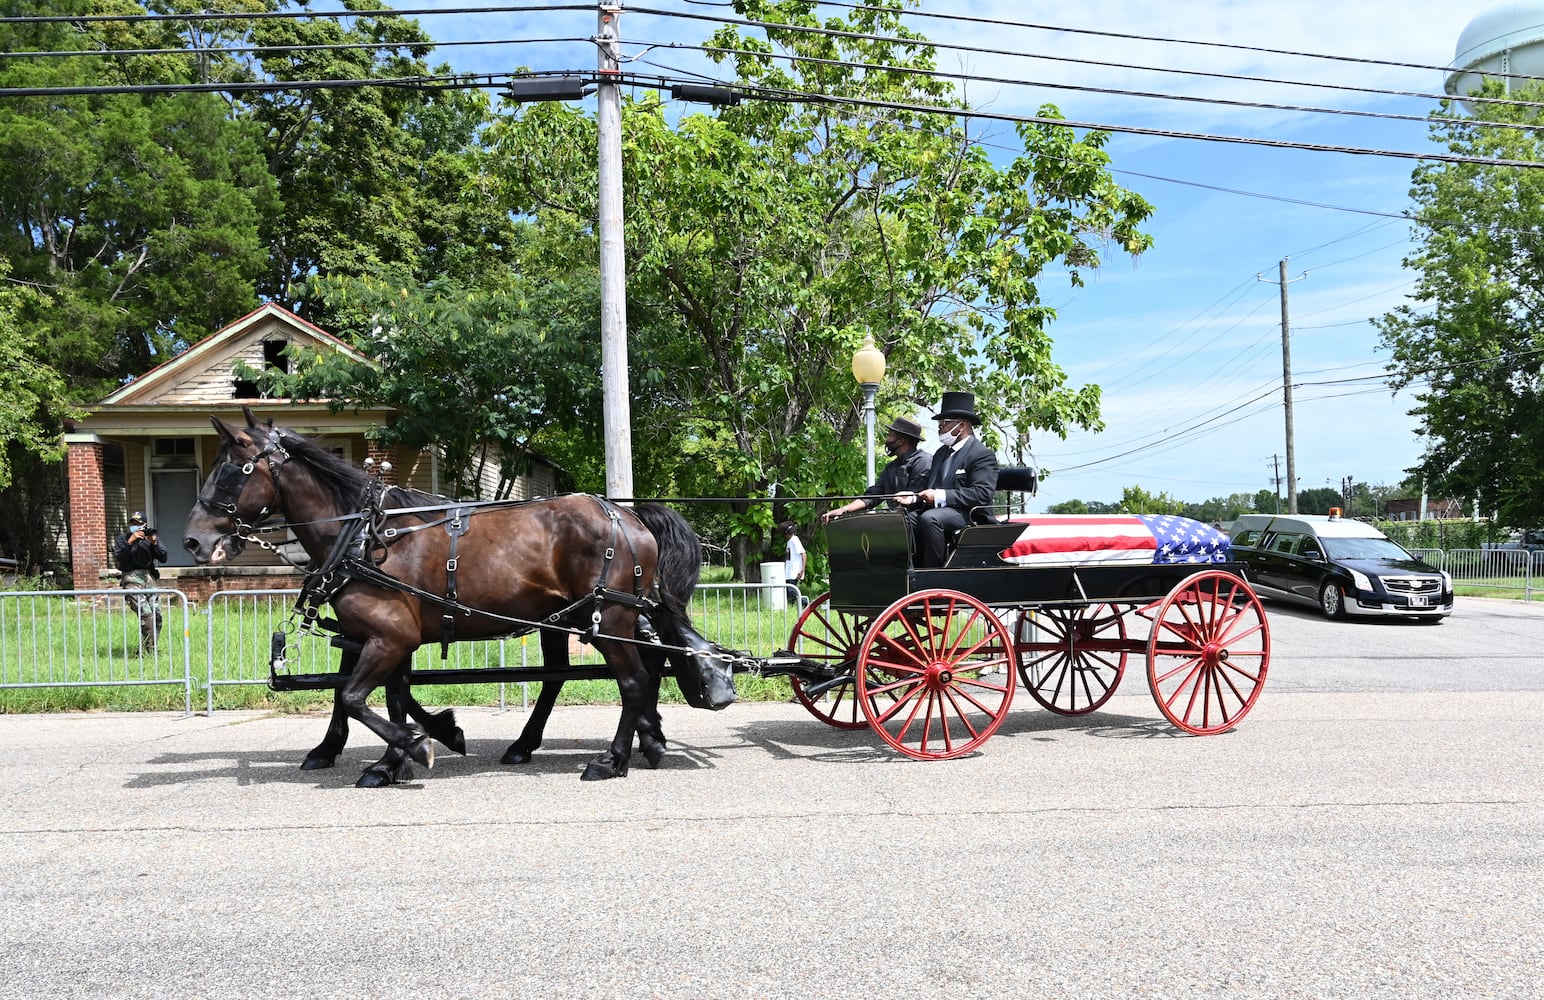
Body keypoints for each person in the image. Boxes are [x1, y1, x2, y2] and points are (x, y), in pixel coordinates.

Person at [896, 391, 999, 567]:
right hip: (941, 511)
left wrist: (939, 496)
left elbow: (982, 494)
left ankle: (934, 572)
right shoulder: (941, 453)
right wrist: (914, 497)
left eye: (945, 423)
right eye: (940, 423)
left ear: (962, 426)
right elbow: (931, 488)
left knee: (931, 518)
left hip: (971, 515)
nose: (940, 427)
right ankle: (908, 568)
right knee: (902, 519)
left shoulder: (981, 454)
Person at [820, 417, 934, 523]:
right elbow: (872, 497)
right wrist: (844, 510)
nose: (887, 439)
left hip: (917, 524)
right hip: (896, 522)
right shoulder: (891, 467)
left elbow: (914, 498)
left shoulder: (923, 461)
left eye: (890, 435)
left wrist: (889, 520)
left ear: (900, 441)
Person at [113, 511, 168, 651]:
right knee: (146, 613)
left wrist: (154, 543)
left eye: (139, 524)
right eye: (133, 523)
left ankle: (147, 648)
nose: (136, 527)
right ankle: (151, 651)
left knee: (157, 616)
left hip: (149, 579)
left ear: (145, 525)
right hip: (131, 578)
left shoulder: (149, 539)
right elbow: (120, 558)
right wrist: (130, 541)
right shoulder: (122, 539)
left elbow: (163, 558)